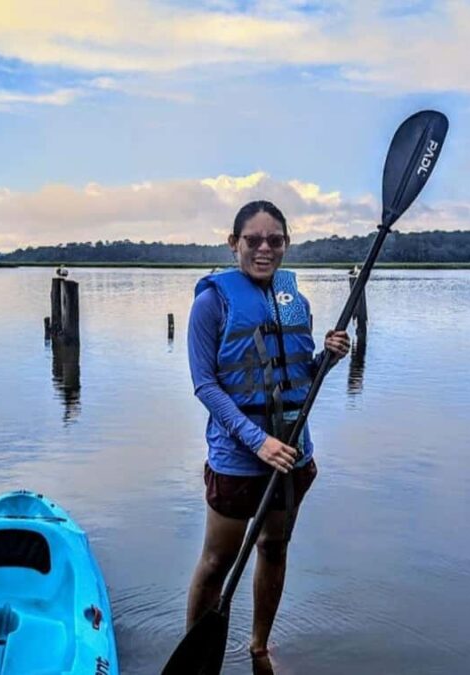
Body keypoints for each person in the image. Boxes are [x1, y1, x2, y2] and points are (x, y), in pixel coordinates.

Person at [186, 200, 350, 665]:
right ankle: (195, 659)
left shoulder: (295, 302)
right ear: (233, 243)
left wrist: (328, 359)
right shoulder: (211, 303)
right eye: (253, 240)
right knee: (217, 561)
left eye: (274, 241)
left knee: (275, 548)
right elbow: (205, 385)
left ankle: (259, 646)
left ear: (286, 245)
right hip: (238, 459)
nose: (264, 249)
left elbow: (299, 376)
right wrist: (257, 441)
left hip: (293, 455)